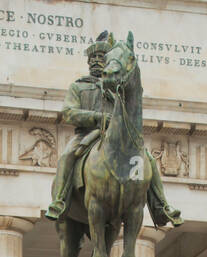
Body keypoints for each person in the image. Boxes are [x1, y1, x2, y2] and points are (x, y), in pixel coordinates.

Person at [44, 32, 181, 228]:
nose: (97, 63)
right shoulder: (79, 87)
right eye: (93, 59)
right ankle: (59, 200)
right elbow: (68, 112)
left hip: (115, 137)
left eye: (102, 59)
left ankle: (161, 205)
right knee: (67, 156)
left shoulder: (117, 87)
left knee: (147, 158)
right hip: (87, 135)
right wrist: (97, 117)